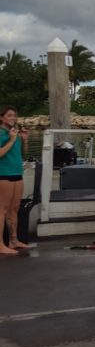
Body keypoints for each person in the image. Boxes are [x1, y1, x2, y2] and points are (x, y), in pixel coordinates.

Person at [0, 105, 31, 254]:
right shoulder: (1, 134)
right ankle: (0, 245)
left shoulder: (15, 134)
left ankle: (13, 241)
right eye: (9, 115)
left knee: (14, 209)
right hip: (3, 176)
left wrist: (24, 140)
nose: (13, 118)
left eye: (15, 115)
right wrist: (12, 140)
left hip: (17, 174)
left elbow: (23, 155)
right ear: (2, 117)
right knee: (2, 210)